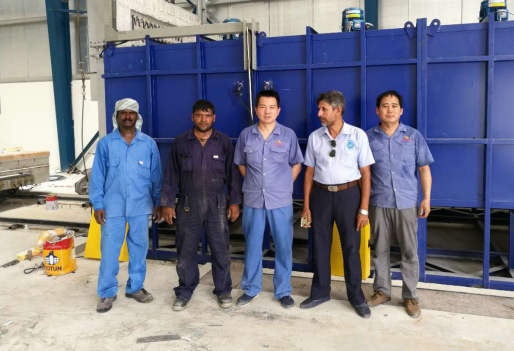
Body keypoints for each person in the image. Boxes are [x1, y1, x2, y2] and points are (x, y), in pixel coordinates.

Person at [160, 100, 242, 311]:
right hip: (188, 203)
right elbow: (171, 175)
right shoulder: (181, 142)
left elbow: (233, 175)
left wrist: (234, 202)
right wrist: (167, 203)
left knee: (220, 249)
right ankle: (185, 290)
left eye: (207, 116)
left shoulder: (223, 141)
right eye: (199, 115)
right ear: (192, 117)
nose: (203, 120)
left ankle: (223, 290)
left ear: (214, 117)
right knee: (186, 250)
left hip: (217, 203)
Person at [300, 90, 375, 319]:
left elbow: (366, 174)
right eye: (319, 109)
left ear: (338, 110)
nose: (319, 113)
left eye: (324, 109)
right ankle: (320, 292)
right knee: (320, 246)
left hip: (349, 196)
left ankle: (356, 297)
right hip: (320, 196)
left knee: (351, 247)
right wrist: (306, 206)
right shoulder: (315, 137)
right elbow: (309, 173)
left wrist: (363, 209)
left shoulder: (357, 135)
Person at [89, 98, 163, 313]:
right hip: (112, 207)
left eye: (131, 113)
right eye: (123, 112)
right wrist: (97, 204)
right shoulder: (106, 144)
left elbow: (156, 176)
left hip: (141, 206)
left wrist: (158, 202)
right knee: (109, 250)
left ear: (137, 116)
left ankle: (135, 287)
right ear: (117, 116)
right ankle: (107, 292)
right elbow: (97, 176)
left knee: (139, 249)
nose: (127, 116)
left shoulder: (148, 144)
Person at [366, 90, 434, 318]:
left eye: (394, 106)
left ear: (401, 110)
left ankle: (410, 295)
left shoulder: (413, 136)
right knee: (379, 249)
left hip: (406, 203)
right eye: (385, 106)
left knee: (409, 250)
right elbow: (363, 173)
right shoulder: (368, 137)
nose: (390, 110)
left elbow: (424, 169)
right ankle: (382, 291)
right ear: (377, 110)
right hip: (378, 202)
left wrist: (426, 198)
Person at [234, 90, 304, 309]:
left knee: (283, 246)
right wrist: (254, 182)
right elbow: (241, 163)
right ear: (256, 109)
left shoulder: (288, 135)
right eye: (263, 107)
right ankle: (251, 288)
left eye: (272, 107)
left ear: (278, 110)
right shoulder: (246, 135)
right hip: (253, 199)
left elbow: (297, 163)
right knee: (252, 245)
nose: (267, 111)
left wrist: (285, 184)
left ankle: (283, 291)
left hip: (280, 200)